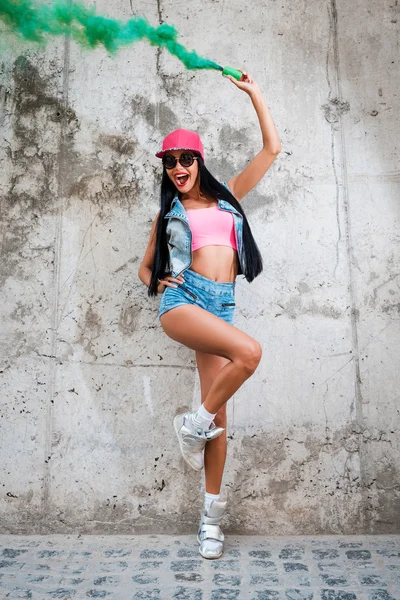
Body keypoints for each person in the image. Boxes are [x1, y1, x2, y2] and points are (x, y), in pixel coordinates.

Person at [138, 71, 281, 559]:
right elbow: (144, 270)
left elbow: (272, 150)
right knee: (250, 352)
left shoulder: (228, 196)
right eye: (170, 162)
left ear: (199, 161)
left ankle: (211, 518)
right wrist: (161, 280)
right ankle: (192, 425)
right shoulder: (168, 213)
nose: (178, 167)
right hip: (184, 304)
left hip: (221, 305)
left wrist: (254, 93)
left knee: (219, 417)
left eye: (185, 159)